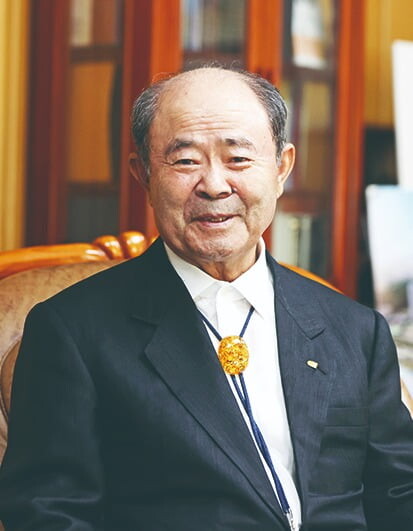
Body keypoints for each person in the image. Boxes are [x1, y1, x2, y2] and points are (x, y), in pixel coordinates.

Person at [0, 66, 412, 531]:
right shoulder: (71, 332)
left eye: (238, 158)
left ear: (281, 168)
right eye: (185, 161)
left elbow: (398, 494)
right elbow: (48, 515)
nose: (214, 185)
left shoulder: (356, 330)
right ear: (143, 175)